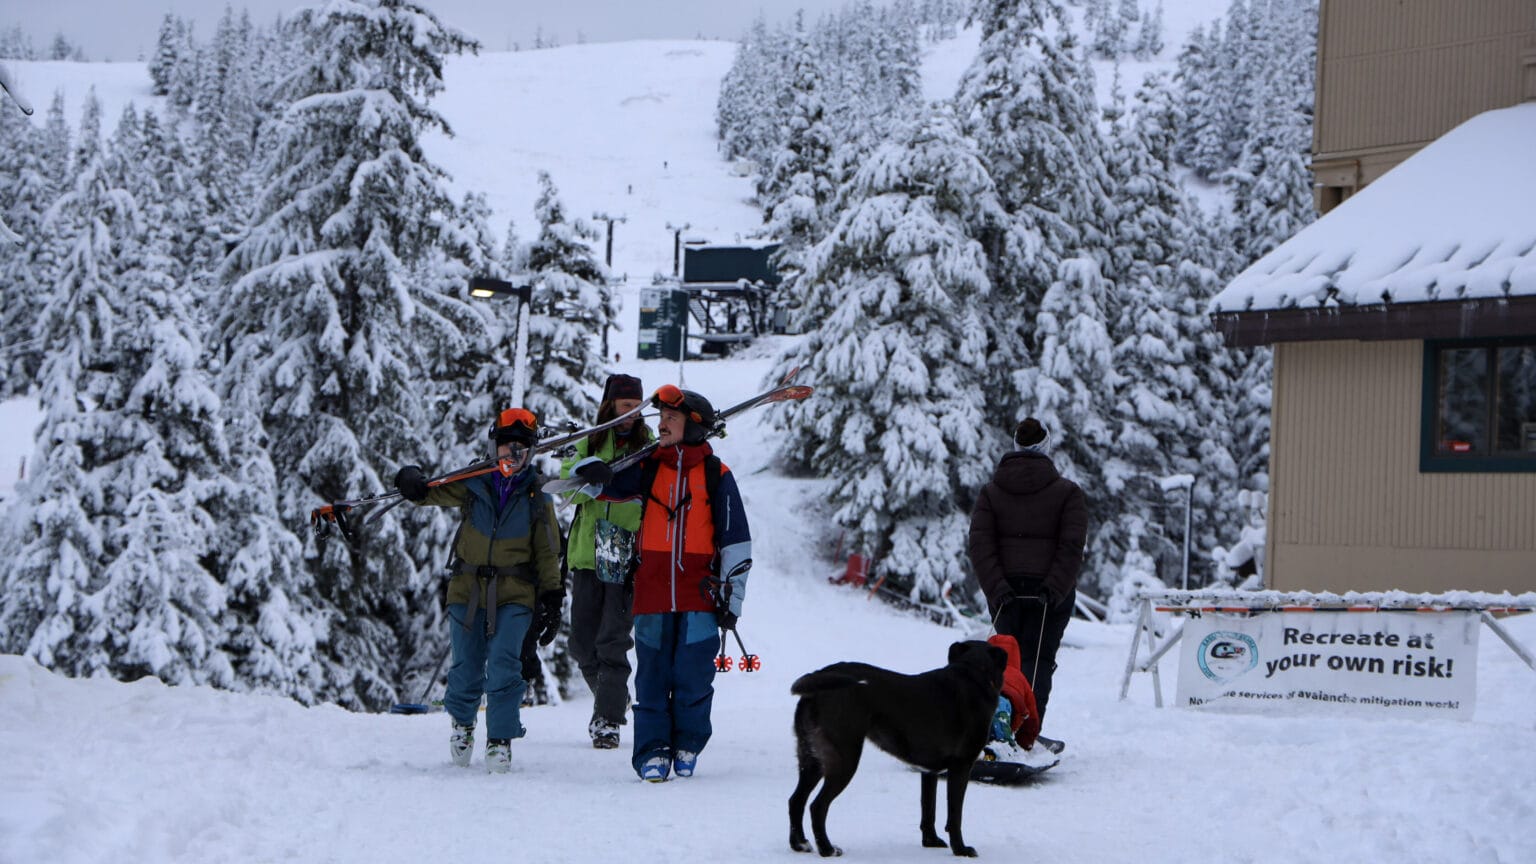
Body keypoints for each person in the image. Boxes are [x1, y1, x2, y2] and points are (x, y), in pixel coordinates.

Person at [571, 386, 751, 782]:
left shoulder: (716, 475)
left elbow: (736, 542)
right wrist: (594, 473)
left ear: (693, 426)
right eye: (662, 416)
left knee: (693, 677)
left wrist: (731, 600)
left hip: (700, 596)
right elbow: (594, 487)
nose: (662, 423)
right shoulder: (648, 465)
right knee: (651, 676)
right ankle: (652, 749)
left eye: (671, 417)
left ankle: (687, 743)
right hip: (651, 592)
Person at [394, 407, 564, 774]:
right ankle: (463, 725)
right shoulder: (472, 484)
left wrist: (552, 597)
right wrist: (412, 482)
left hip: (516, 592)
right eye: (506, 446)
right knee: (467, 663)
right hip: (468, 589)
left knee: (505, 661)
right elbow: (428, 493)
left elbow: (549, 553)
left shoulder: (538, 497)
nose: (512, 455)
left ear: (531, 452)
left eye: (520, 448)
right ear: (494, 446)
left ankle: (500, 740)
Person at [967, 416, 1085, 754]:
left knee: (1005, 660)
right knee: (1039, 661)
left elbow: (981, 545)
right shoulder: (1068, 493)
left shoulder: (991, 493)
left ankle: (997, 726)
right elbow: (1072, 546)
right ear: (1046, 447)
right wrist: (1055, 587)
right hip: (1050, 594)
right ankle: (1026, 733)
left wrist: (996, 586)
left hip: (1005, 591)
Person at [559, 373, 652, 749]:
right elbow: (567, 487)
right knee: (582, 643)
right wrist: (589, 474)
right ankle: (612, 697)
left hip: (626, 555)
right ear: (610, 405)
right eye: (624, 405)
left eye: (636, 406)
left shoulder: (648, 444)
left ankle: (607, 720)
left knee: (613, 640)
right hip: (586, 555)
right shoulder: (590, 440)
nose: (630, 413)